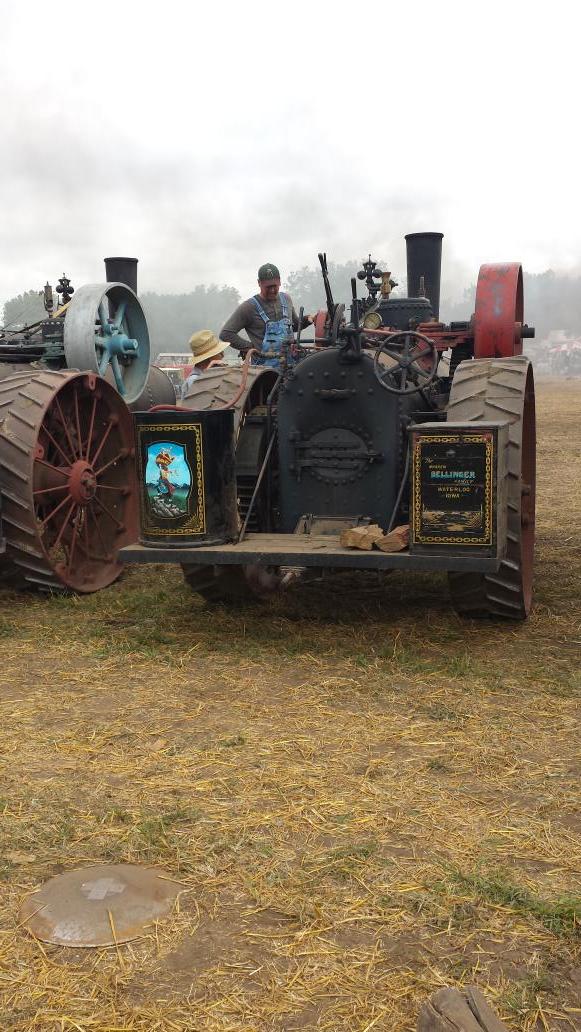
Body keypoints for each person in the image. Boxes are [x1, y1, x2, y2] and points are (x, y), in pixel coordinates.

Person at [220, 263, 315, 371]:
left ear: (279, 281)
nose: (272, 290)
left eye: (274, 285)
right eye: (268, 287)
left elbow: (294, 326)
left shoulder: (286, 299)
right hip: (264, 371)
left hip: (291, 367)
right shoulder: (249, 307)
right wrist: (251, 347)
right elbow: (226, 334)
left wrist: (308, 320)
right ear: (259, 283)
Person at [181, 330, 229, 399]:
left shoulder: (207, 377)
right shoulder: (195, 380)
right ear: (210, 357)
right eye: (220, 352)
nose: (223, 355)